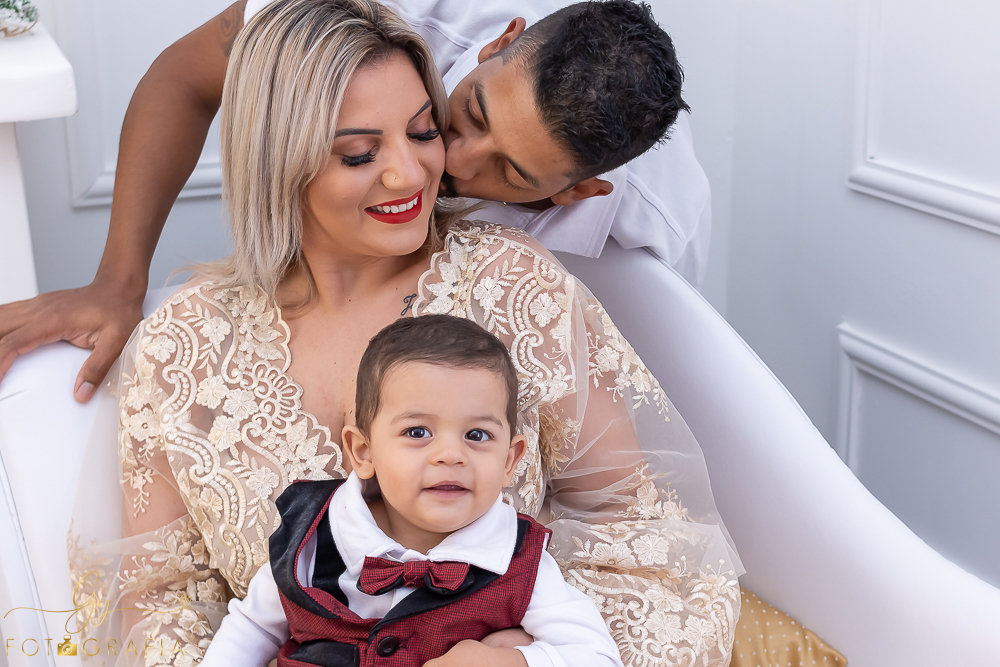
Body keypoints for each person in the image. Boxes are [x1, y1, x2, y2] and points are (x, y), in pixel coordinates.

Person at [66, 2, 740, 667]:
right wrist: (118, 280)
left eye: (423, 133)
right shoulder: (180, 347)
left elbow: (645, 531)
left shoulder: (516, 285)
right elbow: (161, 602)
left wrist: (533, 658)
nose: (416, 173)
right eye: (360, 152)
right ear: (277, 157)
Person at [0, 0, 711, 403]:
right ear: (501, 42)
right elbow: (181, 82)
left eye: (513, 174)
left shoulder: (655, 228)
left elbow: (615, 408)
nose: (444, 164)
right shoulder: (370, 7)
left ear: (578, 191)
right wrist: (118, 283)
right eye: (469, 114)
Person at [201, 314, 624, 667]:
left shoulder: (520, 562)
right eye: (418, 432)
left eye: (477, 434)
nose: (450, 454)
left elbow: (597, 656)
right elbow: (252, 627)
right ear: (363, 452)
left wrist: (509, 661)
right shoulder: (314, 536)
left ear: (510, 461)